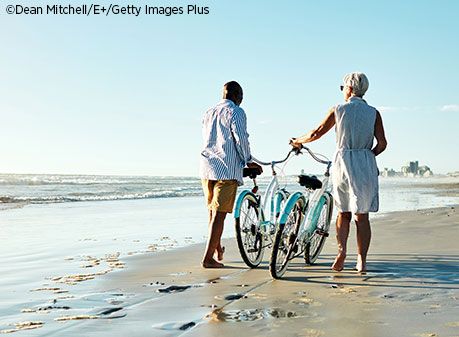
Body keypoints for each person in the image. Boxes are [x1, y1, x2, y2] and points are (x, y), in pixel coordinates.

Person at [290, 72, 387, 272]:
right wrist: (368, 156)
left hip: (343, 163)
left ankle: (341, 251)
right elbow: (383, 143)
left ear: (349, 89)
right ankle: (361, 260)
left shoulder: (338, 109)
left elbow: (316, 132)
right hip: (364, 162)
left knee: (343, 213)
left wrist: (297, 141)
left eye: (343, 88)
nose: (343, 92)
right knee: (362, 216)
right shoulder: (374, 113)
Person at [200, 81, 262, 268]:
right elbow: (240, 138)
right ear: (236, 94)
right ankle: (208, 259)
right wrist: (248, 159)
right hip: (226, 170)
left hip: (207, 167)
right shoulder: (236, 111)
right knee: (220, 215)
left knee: (212, 212)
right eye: (241, 96)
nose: (241, 100)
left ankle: (216, 249)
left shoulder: (208, 112)